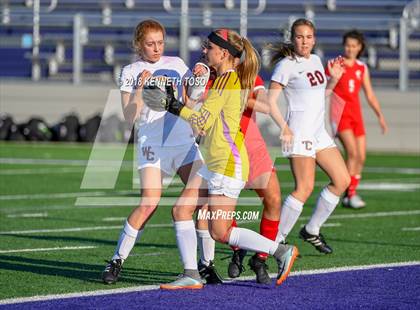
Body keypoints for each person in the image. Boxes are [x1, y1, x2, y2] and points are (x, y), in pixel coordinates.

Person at [150, 28, 299, 289]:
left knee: (220, 232)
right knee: (181, 210)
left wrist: (173, 105)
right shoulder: (222, 79)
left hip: (226, 163)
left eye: (209, 47)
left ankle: (280, 251)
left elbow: (201, 121)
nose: (204, 50)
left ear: (224, 52)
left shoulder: (227, 81)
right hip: (214, 162)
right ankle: (191, 274)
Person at [101, 19, 216, 285]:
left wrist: (199, 75)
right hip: (152, 144)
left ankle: (206, 264)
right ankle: (117, 259)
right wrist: (141, 87)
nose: (156, 48)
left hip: (183, 141)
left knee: (206, 201)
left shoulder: (176, 64)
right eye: (150, 44)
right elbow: (129, 116)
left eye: (160, 43)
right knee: (149, 204)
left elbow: (190, 98)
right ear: (138, 45)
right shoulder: (131, 70)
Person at [267, 18, 351, 254]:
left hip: (318, 132)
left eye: (309, 37)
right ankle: (275, 241)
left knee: (342, 180)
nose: (304, 41)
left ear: (314, 39)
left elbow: (318, 97)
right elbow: (270, 102)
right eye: (300, 37)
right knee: (304, 188)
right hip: (299, 132)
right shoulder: (285, 65)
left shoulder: (315, 59)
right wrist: (284, 127)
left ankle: (311, 229)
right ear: (292, 39)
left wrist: (334, 79)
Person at [327, 30, 388, 209]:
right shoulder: (336, 64)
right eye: (347, 45)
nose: (350, 49)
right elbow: (324, 88)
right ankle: (347, 192)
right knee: (352, 152)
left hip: (356, 116)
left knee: (361, 156)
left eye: (354, 46)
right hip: (340, 116)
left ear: (360, 47)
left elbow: (370, 94)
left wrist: (380, 116)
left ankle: (350, 193)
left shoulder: (362, 67)